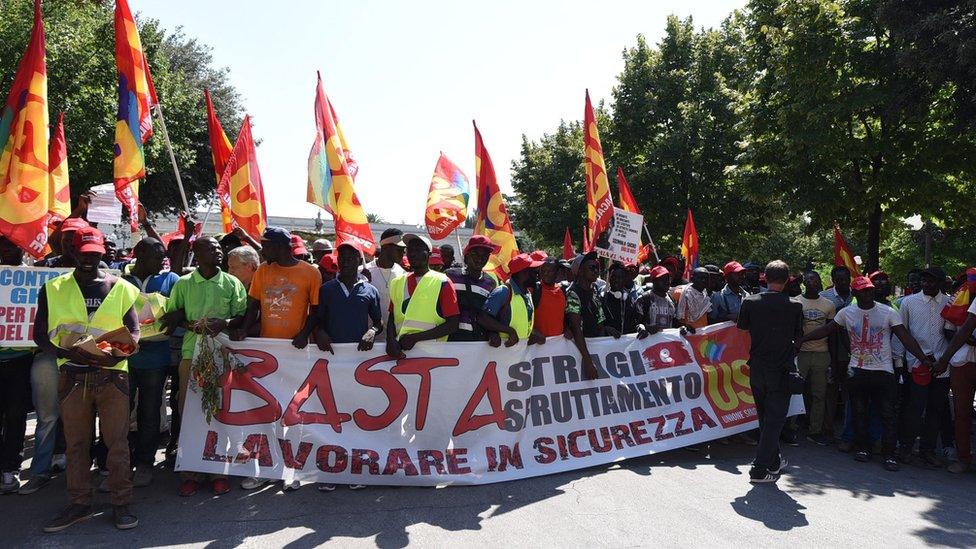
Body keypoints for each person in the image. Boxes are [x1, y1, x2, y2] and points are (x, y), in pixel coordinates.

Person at [33, 227, 141, 531]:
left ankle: (122, 503)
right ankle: (78, 503)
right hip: (73, 376)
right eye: (83, 254)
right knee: (77, 444)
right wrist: (65, 353)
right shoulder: (52, 289)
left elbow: (133, 331)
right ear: (72, 254)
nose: (88, 260)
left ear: (101, 254)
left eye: (94, 255)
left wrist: (118, 354)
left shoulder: (119, 287)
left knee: (117, 444)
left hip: (112, 377)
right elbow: (39, 335)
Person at [797, 276, 934, 472]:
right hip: (857, 370)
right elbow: (827, 329)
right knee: (859, 412)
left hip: (884, 371)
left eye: (869, 290)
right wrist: (804, 339)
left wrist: (923, 358)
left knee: (887, 414)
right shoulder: (846, 313)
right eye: (863, 290)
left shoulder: (888, 312)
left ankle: (889, 454)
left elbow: (905, 338)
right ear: (855, 293)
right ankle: (862, 448)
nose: (868, 293)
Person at [233, 227, 321, 492]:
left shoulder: (310, 272)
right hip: (267, 354)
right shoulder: (262, 271)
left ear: (282, 246)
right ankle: (265, 467)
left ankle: (293, 469)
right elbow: (253, 307)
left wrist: (304, 334)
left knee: (293, 414)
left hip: (296, 356)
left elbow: (316, 311)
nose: (262, 251)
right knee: (266, 412)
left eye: (266, 246)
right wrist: (243, 330)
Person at [163, 236, 247, 497]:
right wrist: (190, 325)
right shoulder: (185, 284)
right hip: (192, 354)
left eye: (219, 248)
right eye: (211, 248)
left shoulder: (232, 283)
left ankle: (218, 471)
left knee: (220, 413)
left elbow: (242, 316)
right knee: (190, 414)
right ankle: (191, 472)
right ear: (196, 254)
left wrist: (226, 322)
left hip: (223, 356)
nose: (218, 251)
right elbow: (171, 315)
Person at [314, 241, 382, 492]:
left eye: (350, 257)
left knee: (356, 414)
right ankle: (332, 470)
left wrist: (372, 332)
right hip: (332, 362)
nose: (345, 262)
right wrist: (320, 332)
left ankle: (356, 466)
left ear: (358, 260)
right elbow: (317, 321)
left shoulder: (370, 290)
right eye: (341, 257)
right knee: (333, 415)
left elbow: (379, 322)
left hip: (358, 363)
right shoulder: (327, 289)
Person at [736, 260, 803, 483]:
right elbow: (798, 337)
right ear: (786, 280)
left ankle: (773, 461)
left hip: (757, 367)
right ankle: (759, 469)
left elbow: (743, 329)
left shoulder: (750, 302)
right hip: (781, 369)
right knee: (774, 421)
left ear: (765, 277)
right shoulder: (794, 306)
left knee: (765, 418)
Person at [123, 238, 180, 488]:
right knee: (117, 413)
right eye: (158, 256)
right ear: (141, 254)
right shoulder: (118, 280)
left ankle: (145, 463)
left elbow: (179, 310)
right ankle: (117, 464)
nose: (162, 261)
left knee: (149, 410)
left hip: (155, 357)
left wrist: (175, 316)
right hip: (121, 358)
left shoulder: (171, 280)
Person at [897, 267, 951, 468]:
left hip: (942, 365)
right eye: (924, 281)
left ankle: (927, 450)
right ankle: (906, 447)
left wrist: (943, 360)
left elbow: (952, 334)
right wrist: (901, 361)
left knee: (936, 409)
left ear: (940, 283)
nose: (926, 284)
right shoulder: (908, 303)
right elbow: (901, 333)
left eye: (931, 281)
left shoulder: (950, 302)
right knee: (914, 407)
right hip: (917, 364)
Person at [386, 234, 460, 358]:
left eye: (418, 250)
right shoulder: (397, 282)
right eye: (409, 250)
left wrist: (415, 338)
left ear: (428, 254)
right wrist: (390, 340)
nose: (412, 254)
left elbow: (452, 324)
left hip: (431, 355)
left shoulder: (443, 282)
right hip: (400, 353)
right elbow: (392, 317)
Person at [0, 236, 33, 494]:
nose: (8, 250)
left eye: (13, 245)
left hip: (20, 361)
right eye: (4, 245)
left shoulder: (37, 277)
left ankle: (10, 468)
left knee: (15, 416)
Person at [792, 271, 836, 445]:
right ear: (804, 282)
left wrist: (832, 359)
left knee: (819, 394)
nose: (813, 282)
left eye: (816, 280)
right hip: (800, 354)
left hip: (821, 354)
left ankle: (815, 430)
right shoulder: (795, 302)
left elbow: (832, 333)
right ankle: (790, 427)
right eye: (809, 279)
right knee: (794, 391)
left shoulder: (829, 305)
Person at [934, 290, 976, 473]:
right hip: (963, 361)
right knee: (962, 412)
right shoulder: (962, 297)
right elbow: (965, 329)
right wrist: (944, 359)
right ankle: (963, 459)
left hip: (962, 360)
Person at [565, 252, 618, 381]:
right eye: (591, 268)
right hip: (580, 355)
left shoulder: (594, 291)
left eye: (597, 268)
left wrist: (606, 329)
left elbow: (598, 320)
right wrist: (588, 362)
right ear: (580, 271)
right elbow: (576, 329)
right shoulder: (573, 294)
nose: (596, 271)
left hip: (596, 349)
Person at [479, 253, 546, 347]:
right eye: (534, 272)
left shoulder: (527, 293)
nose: (538, 275)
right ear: (523, 273)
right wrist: (509, 331)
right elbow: (483, 318)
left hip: (519, 354)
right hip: (501, 353)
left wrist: (531, 334)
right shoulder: (503, 292)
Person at [445, 235, 498, 342]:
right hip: (450, 341)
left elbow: (490, 315)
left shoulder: (490, 283)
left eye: (485, 255)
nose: (480, 258)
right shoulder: (450, 276)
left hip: (478, 342)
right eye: (475, 254)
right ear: (467, 254)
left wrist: (493, 333)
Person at [361, 228, 406, 320]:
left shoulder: (403, 274)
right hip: (368, 332)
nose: (403, 253)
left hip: (392, 332)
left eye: (404, 250)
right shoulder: (362, 272)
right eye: (399, 249)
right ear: (385, 247)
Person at [635, 266, 677, 337]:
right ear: (653, 280)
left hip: (667, 344)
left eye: (668, 279)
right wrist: (646, 328)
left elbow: (675, 323)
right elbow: (635, 323)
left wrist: (682, 328)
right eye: (662, 279)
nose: (667, 282)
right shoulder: (644, 299)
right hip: (648, 344)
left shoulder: (671, 300)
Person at [533, 258, 569, 338]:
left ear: (557, 272)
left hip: (559, 345)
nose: (546, 273)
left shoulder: (563, 291)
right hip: (538, 346)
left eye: (550, 271)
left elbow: (565, 316)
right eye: (543, 270)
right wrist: (533, 332)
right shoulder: (534, 290)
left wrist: (567, 328)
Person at [603, 263, 640, 335]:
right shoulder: (602, 300)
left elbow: (635, 323)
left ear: (625, 279)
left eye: (620, 277)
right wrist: (606, 328)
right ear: (609, 278)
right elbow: (597, 325)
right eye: (613, 277)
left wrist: (640, 327)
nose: (616, 280)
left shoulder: (630, 301)